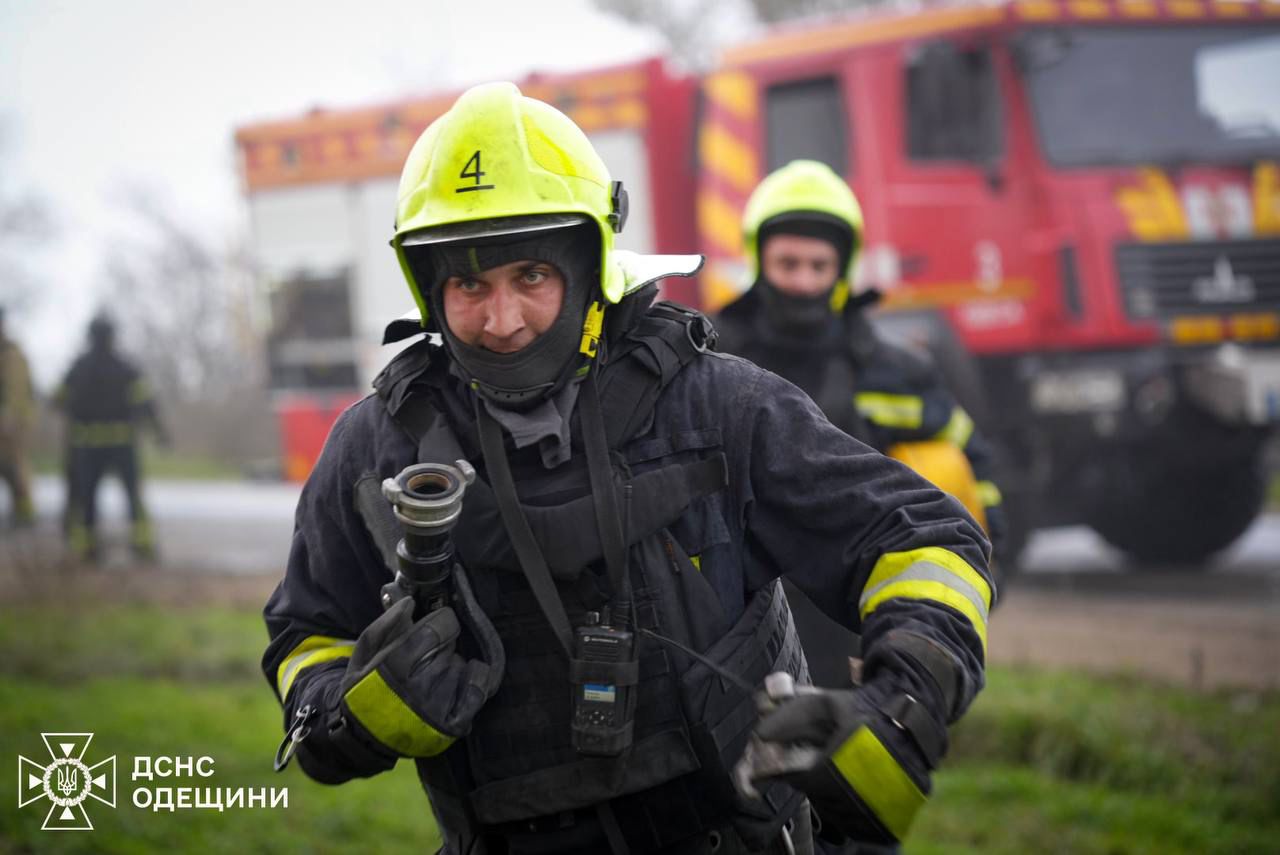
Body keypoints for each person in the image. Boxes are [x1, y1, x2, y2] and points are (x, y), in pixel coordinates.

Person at [262, 83, 993, 855]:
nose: (501, 321)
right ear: (428, 287)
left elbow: (928, 536)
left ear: (588, 267)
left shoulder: (717, 407)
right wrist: (349, 713)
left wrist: (901, 700)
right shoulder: (376, 449)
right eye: (469, 285)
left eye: (531, 278)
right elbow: (305, 635)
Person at [713, 161, 1007, 689]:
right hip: (735, 605)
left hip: (850, 596)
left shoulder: (896, 371)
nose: (803, 282)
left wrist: (983, 556)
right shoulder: (709, 359)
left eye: (818, 265)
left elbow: (968, 460)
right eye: (788, 264)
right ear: (759, 259)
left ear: (842, 268)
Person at [57, 314, 169, 561]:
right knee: (132, 496)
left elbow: (58, 401)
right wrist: (160, 433)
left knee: (87, 499)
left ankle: (87, 549)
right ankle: (142, 546)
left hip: (87, 445)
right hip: (122, 444)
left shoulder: (78, 367)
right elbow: (146, 404)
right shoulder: (126, 368)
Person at [0, 306, 36, 527]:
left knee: (16, 470)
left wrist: (12, 419)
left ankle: (24, 515)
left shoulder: (12, 354)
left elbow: (19, 390)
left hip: (11, 426)